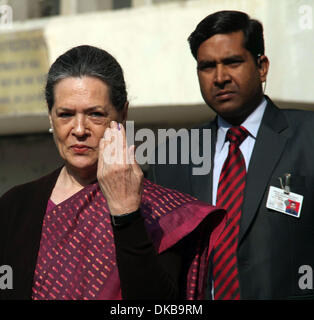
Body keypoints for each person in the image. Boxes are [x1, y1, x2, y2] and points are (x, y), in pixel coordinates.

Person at [0, 45, 224, 300]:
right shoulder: (16, 207)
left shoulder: (162, 211)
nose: (80, 129)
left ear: (123, 114)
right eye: (65, 114)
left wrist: (125, 212)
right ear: (51, 118)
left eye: (96, 114)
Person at [149, 10, 314, 299]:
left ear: (261, 67)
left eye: (233, 62)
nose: (220, 77)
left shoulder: (308, 137)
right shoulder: (171, 157)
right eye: (207, 66)